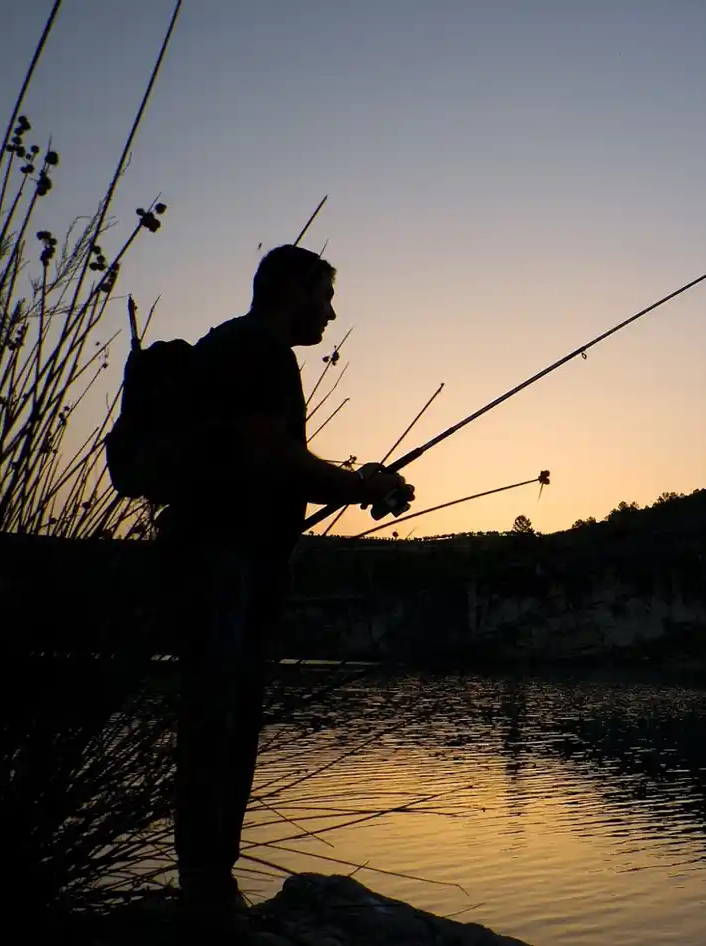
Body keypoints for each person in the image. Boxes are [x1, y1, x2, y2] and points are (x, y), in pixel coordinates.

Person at [154, 244, 414, 909]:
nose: (330, 312)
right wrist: (359, 485)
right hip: (230, 563)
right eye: (325, 295)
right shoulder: (263, 353)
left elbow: (259, 456)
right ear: (295, 289)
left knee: (212, 716)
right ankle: (209, 890)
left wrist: (357, 485)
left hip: (207, 556)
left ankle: (204, 881)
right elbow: (273, 457)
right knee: (225, 722)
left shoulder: (226, 346)